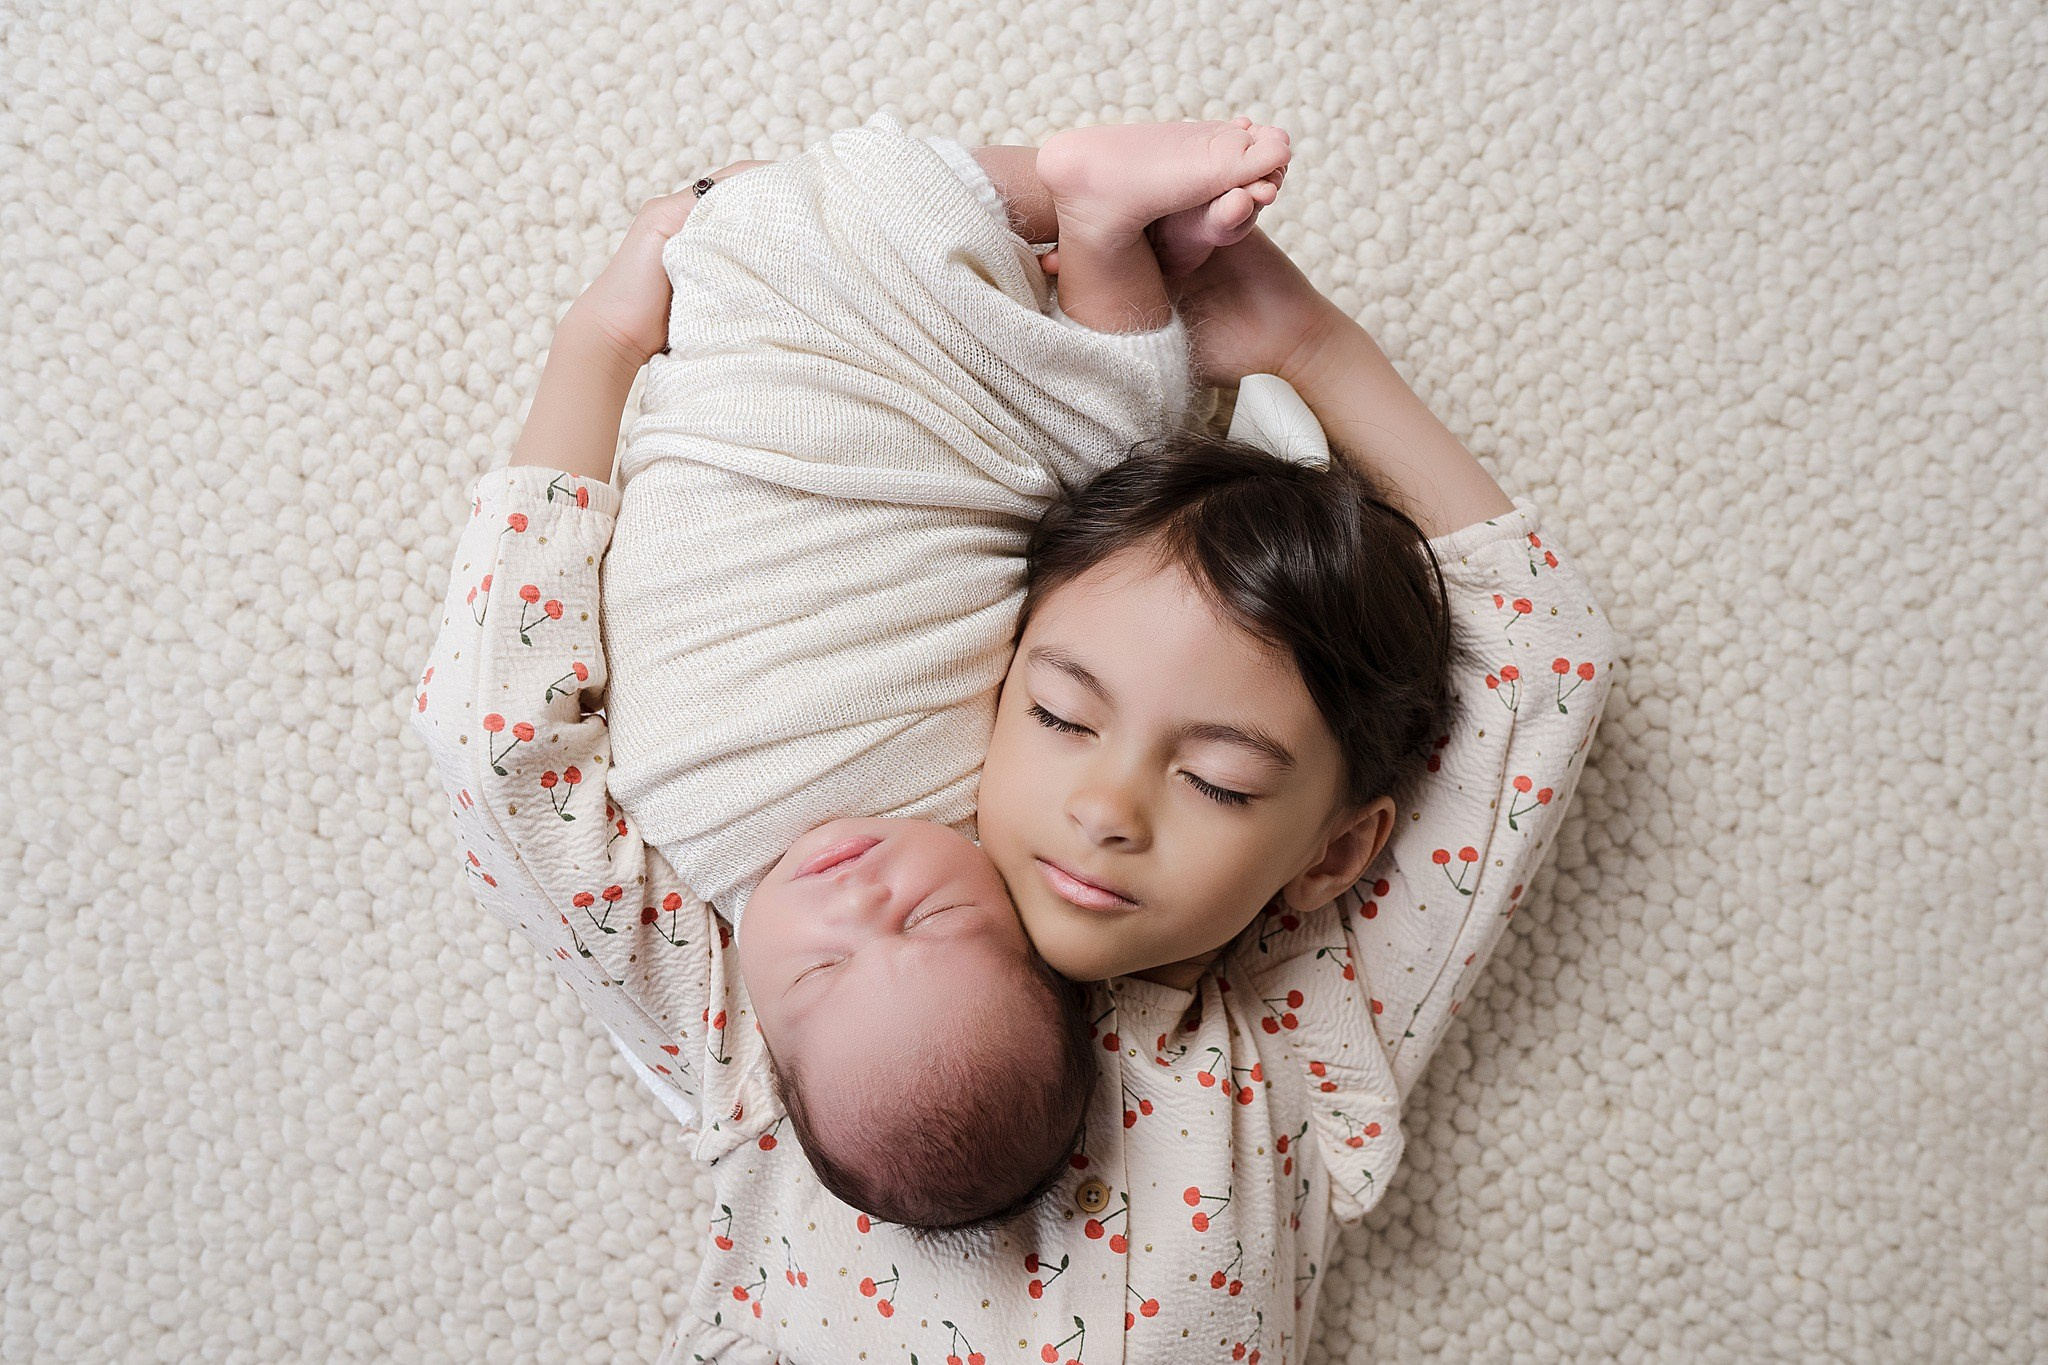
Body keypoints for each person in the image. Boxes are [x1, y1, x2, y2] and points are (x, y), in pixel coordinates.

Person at [411, 114, 1615, 1364]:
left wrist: (1308, 345)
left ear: (1327, 856)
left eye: (1216, 780)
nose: (1106, 807)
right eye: (1056, 715)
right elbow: (503, 761)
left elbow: (1542, 674)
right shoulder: (782, 1021)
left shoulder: (1298, 1031)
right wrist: (596, 351)